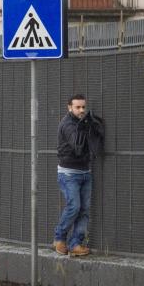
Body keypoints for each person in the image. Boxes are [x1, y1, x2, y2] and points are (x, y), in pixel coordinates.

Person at [53, 94, 104, 256]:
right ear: (70, 108)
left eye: (83, 107)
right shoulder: (67, 125)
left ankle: (76, 244)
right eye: (78, 107)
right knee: (74, 206)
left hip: (85, 172)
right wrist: (85, 126)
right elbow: (77, 144)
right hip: (68, 174)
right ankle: (59, 237)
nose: (81, 110)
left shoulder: (85, 123)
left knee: (84, 210)